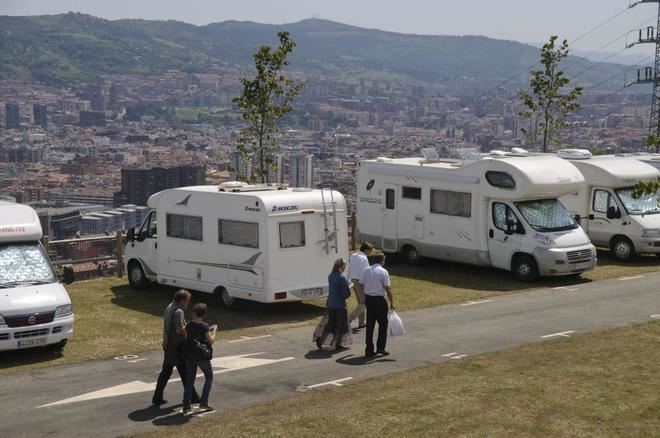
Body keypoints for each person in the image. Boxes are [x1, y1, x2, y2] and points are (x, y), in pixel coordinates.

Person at [152, 289, 200, 406]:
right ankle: (192, 396)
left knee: (167, 372)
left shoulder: (170, 306)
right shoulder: (178, 311)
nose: (188, 304)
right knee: (184, 372)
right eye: (187, 301)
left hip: (169, 345)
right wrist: (190, 328)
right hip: (177, 346)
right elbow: (179, 329)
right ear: (182, 301)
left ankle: (157, 397)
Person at [183, 303, 217, 414]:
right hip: (201, 355)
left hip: (189, 354)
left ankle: (186, 405)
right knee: (209, 376)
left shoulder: (188, 325)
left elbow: (186, 336)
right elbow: (210, 341)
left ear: (194, 312)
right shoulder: (204, 326)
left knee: (190, 380)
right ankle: (204, 402)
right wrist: (214, 331)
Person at [359, 252, 395, 358]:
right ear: (382, 260)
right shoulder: (383, 272)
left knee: (370, 325)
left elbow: (361, 283)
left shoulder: (366, 270)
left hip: (369, 299)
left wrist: (366, 292)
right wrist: (392, 303)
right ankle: (380, 347)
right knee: (383, 324)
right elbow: (388, 289)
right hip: (379, 299)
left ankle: (369, 349)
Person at [313, 258, 353, 350]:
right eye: (344, 266)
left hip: (331, 302)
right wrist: (350, 287)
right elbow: (345, 294)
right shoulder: (342, 278)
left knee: (331, 323)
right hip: (340, 304)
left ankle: (321, 338)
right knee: (342, 325)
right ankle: (338, 344)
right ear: (342, 266)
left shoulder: (330, 276)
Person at [347, 242, 373, 328]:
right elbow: (366, 272)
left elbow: (349, 268)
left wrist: (348, 280)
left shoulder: (353, 255)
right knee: (364, 302)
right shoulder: (364, 258)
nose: (370, 253)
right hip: (360, 281)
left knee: (360, 302)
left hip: (353, 280)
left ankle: (362, 322)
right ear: (366, 250)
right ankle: (349, 318)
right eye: (370, 251)